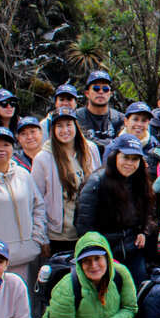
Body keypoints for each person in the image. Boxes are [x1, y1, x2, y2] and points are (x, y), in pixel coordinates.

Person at [0, 128, 47, 298]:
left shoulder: (23, 174)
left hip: (28, 255)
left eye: (6, 145)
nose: (1, 149)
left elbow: (38, 206)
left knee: (27, 305)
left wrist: (36, 239)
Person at [75, 135, 155, 287]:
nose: (130, 163)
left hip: (133, 251)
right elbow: (84, 226)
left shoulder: (139, 180)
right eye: (126, 157)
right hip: (106, 253)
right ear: (115, 156)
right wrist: (97, 255)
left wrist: (143, 231)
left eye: (135, 159)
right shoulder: (97, 182)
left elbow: (148, 211)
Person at [31, 107, 101, 255]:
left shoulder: (91, 150)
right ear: (53, 130)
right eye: (59, 126)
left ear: (76, 126)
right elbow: (36, 201)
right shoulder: (43, 158)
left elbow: (100, 186)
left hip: (87, 230)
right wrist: (42, 237)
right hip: (58, 235)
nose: (65, 130)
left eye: (68, 124)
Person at [76, 70, 125, 155]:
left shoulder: (120, 118)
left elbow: (123, 143)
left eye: (105, 89)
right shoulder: (76, 117)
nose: (101, 92)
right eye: (96, 88)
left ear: (110, 94)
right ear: (87, 93)